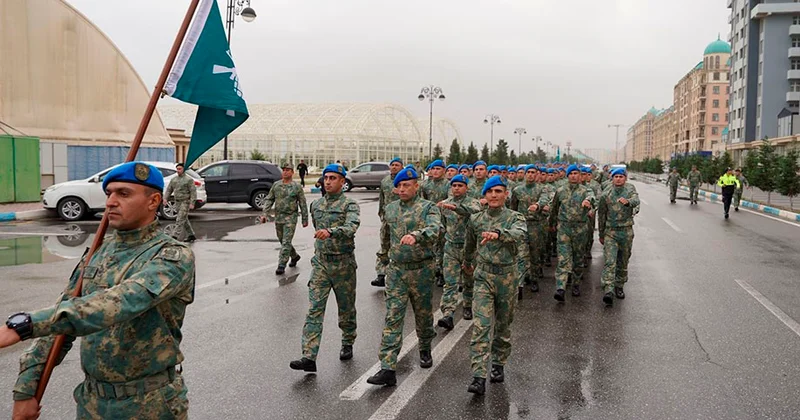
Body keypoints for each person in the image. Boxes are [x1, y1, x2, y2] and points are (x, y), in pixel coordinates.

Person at [1, 161, 195, 419]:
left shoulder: (172, 257)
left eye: (123, 194)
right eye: (109, 193)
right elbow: (62, 321)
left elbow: (118, 303)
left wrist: (28, 323)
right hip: (92, 403)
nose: (111, 202)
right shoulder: (97, 253)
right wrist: (26, 390)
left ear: (153, 201)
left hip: (150, 404)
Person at [367, 167, 441, 387]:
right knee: (393, 317)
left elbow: (435, 230)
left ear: (416, 186)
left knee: (423, 313)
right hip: (397, 270)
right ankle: (388, 367)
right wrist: (383, 262)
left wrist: (416, 236)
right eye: (398, 186)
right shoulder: (390, 209)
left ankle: (425, 347)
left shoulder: (428, 208)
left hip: (422, 270)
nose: (401, 189)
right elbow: (386, 238)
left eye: (406, 185)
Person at [290, 163, 361, 372]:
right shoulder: (317, 205)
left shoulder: (350, 205)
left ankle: (348, 341)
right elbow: (316, 228)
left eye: (333, 178)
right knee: (314, 309)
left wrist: (331, 232)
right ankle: (309, 357)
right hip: (321, 263)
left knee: (346, 308)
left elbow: (351, 227)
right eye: (326, 178)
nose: (328, 181)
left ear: (342, 181)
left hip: (343, 264)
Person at [463, 176, 527, 395]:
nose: (494, 195)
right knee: (481, 326)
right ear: (484, 195)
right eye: (490, 192)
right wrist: (466, 263)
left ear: (505, 194)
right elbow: (469, 244)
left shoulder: (515, 217)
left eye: (498, 191)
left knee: (502, 324)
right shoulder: (476, 219)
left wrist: (499, 234)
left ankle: (498, 363)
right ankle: (478, 375)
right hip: (483, 277)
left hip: (507, 278)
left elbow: (520, 234)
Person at [436, 174, 482, 330]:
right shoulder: (445, 205)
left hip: (469, 248)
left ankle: (468, 305)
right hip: (451, 248)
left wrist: (456, 208)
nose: (456, 188)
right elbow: (442, 225)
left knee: (469, 280)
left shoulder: (473, 202)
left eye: (460, 185)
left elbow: (475, 211)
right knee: (450, 282)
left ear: (466, 188)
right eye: (454, 185)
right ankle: (448, 314)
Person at [544, 165, 595, 301]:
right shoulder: (560, 191)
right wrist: (551, 225)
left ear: (580, 176)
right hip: (564, 229)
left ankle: (576, 283)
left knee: (578, 259)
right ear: (567, 176)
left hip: (580, 229)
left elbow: (592, 197)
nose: (573, 176)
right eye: (571, 173)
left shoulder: (585, 190)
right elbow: (554, 209)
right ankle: (560, 287)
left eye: (576, 173)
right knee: (563, 259)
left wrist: (588, 201)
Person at [597, 168, 639, 306]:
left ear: (625, 178)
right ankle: (608, 289)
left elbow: (636, 199)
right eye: (616, 176)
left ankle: (619, 285)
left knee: (623, 260)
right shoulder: (606, 193)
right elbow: (602, 215)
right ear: (612, 178)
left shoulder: (630, 189)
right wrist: (601, 233)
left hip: (626, 231)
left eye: (621, 176)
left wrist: (628, 202)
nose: (619, 179)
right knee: (610, 261)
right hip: (611, 232)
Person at [260, 163, 309, 275]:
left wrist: (305, 219)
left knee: (286, 241)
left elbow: (302, 203)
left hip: (291, 217)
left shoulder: (296, 187)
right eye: (284, 170)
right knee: (282, 240)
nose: (285, 172)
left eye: (288, 170)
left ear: (292, 172)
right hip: (279, 217)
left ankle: (281, 265)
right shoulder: (276, 185)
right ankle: (295, 256)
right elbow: (269, 200)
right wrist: (265, 214)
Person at [510, 165, 551, 293]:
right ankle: (520, 283)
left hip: (536, 225)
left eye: (533, 172)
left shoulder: (542, 189)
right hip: (521, 225)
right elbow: (513, 207)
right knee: (521, 255)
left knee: (535, 254)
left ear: (537, 174)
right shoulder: (517, 190)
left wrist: (538, 205)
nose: (531, 175)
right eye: (528, 172)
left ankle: (534, 279)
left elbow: (544, 199)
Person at [372, 157, 404, 287]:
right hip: (387, 219)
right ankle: (381, 274)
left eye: (397, 165)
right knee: (384, 245)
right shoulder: (385, 181)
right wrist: (381, 213)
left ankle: (399, 276)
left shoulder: (404, 182)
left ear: (402, 167)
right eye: (392, 165)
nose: (394, 167)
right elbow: (382, 198)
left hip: (402, 219)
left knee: (400, 247)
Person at [420, 159, 450, 287]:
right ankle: (431, 271)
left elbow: (452, 197)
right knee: (430, 245)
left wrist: (444, 203)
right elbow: (421, 201)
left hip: (445, 218)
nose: (435, 171)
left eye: (438, 169)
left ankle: (442, 273)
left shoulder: (448, 184)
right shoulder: (425, 185)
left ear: (444, 170)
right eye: (433, 169)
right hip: (431, 219)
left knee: (443, 246)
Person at [164, 162, 197, 242]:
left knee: (179, 219)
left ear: (184, 169)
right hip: (177, 202)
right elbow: (169, 190)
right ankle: (191, 235)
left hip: (185, 202)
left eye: (179, 169)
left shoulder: (188, 180)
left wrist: (192, 203)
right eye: (177, 169)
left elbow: (193, 192)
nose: (178, 171)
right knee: (184, 219)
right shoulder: (174, 179)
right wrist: (165, 199)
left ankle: (174, 236)